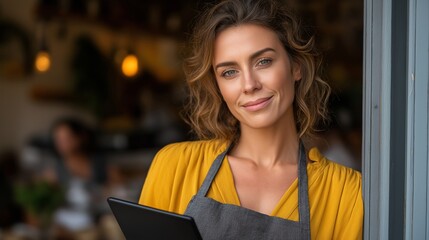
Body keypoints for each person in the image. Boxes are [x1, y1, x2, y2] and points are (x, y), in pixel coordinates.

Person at [139, 0, 363, 239]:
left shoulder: (345, 194)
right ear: (218, 86)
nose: (249, 85)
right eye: (229, 72)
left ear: (296, 66)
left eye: (263, 61)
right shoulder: (175, 167)